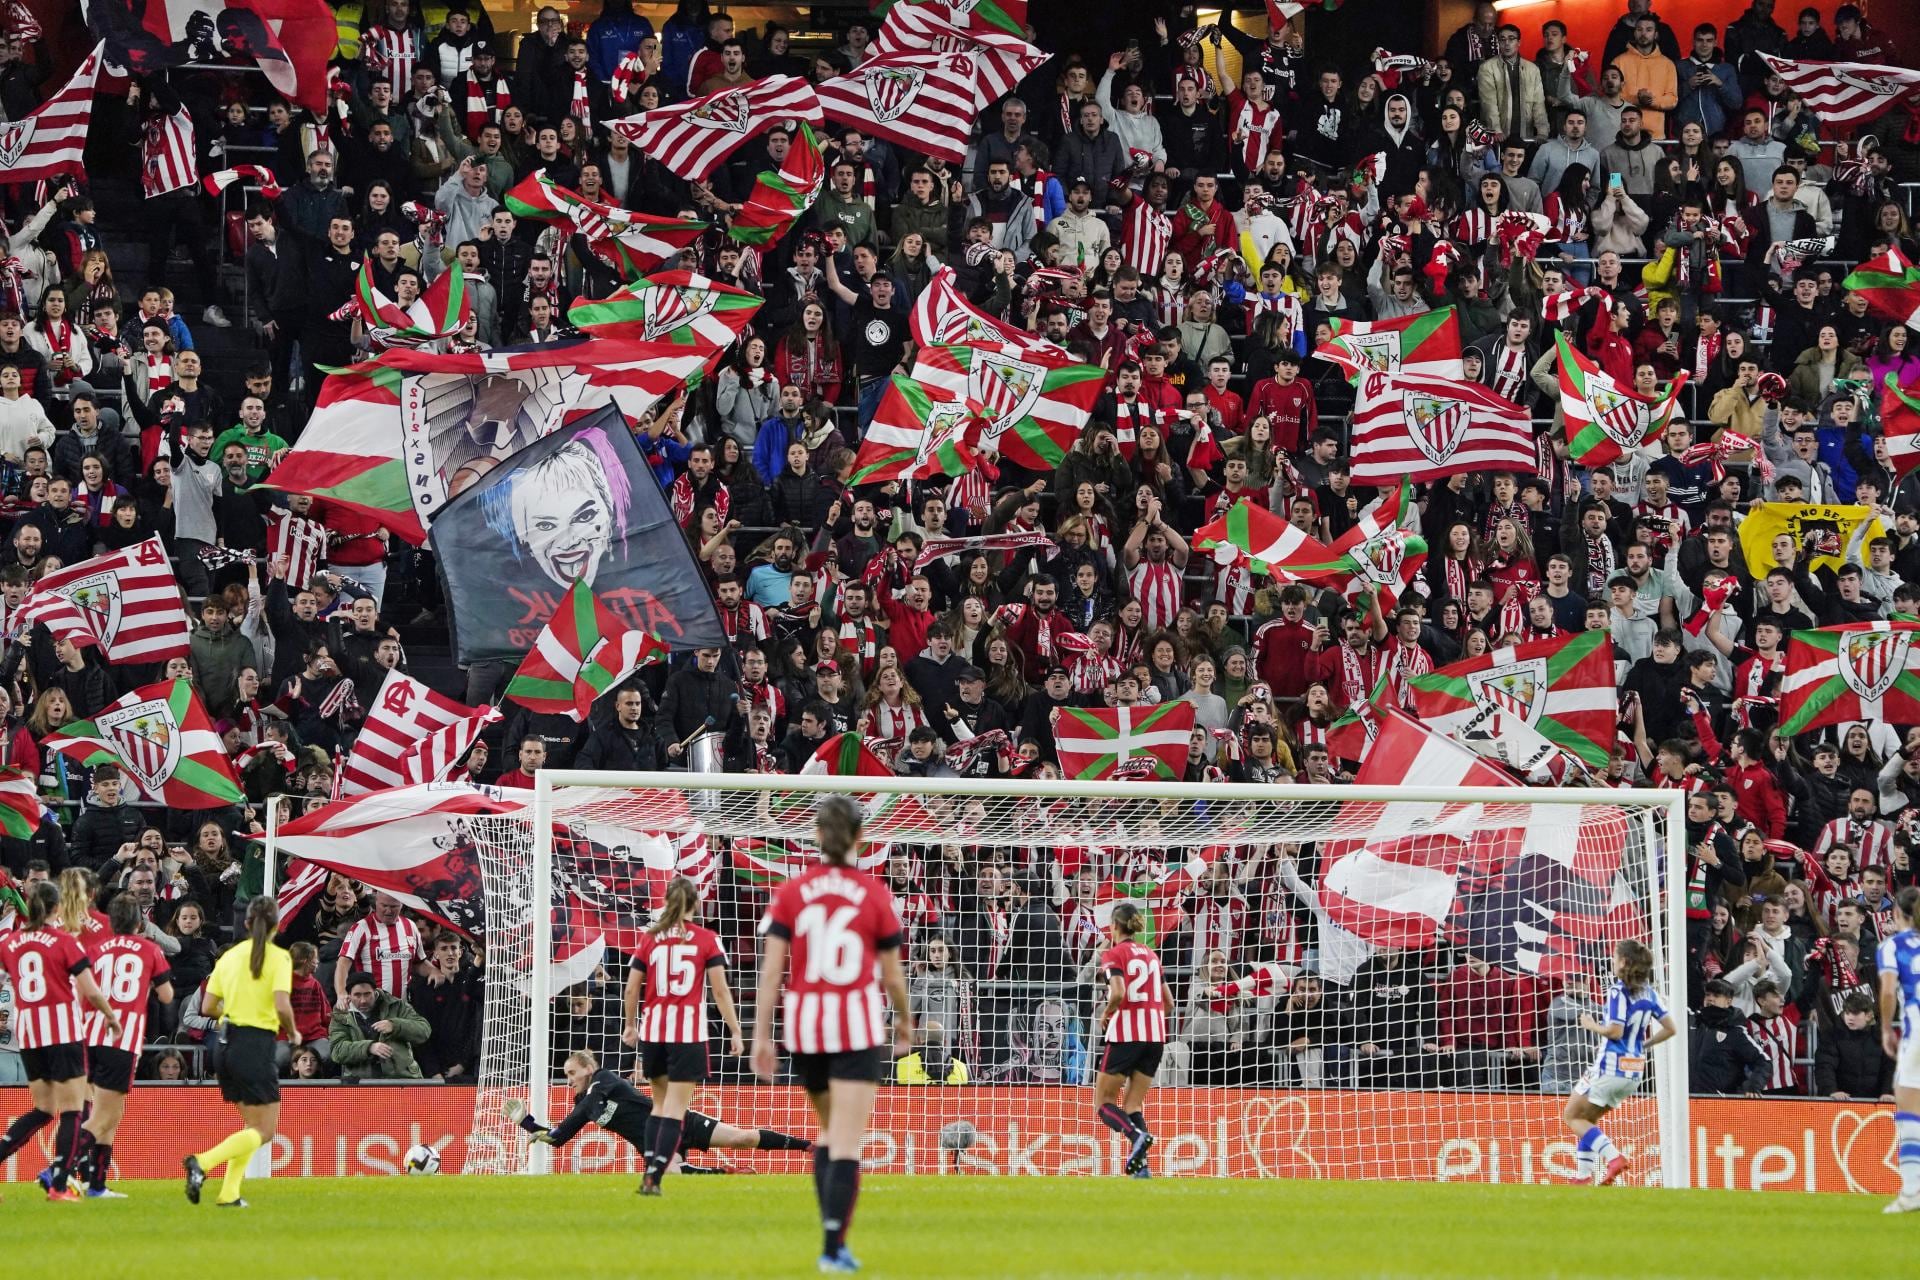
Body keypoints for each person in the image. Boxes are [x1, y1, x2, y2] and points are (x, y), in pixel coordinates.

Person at [751, 795, 913, 1274]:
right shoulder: (875, 893)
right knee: (845, 1139)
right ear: (861, 839)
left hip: (805, 1025)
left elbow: (772, 970)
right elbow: (892, 972)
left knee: (826, 1132)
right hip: (856, 1023)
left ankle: (830, 1238)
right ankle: (832, 1247)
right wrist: (905, 1018)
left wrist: (762, 1035)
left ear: (817, 836)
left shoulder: (792, 891)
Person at [620, 876, 744, 1196]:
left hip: (653, 1033)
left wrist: (631, 1024)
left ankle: (650, 1169)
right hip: (687, 1034)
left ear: (666, 902)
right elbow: (719, 989)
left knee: (659, 1106)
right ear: (695, 905)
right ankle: (655, 1176)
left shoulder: (650, 938)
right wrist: (734, 1028)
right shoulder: (706, 939)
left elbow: (633, 986)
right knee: (675, 1109)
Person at [0, 881, 119, 1200]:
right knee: (71, 1110)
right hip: (62, 1032)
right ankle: (59, 1184)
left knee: (41, 1109)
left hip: (28, 1035)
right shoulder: (64, 941)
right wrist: (110, 1016)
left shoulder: (10, 943)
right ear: (56, 908)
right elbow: (91, 990)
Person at [183, 897, 297, 1209]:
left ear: (246, 924)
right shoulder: (278, 958)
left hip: (224, 1044)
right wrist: (295, 1031)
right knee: (265, 1130)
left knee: (252, 1127)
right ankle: (202, 1163)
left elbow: (207, 1007)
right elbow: (282, 1005)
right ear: (276, 926)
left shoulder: (229, 958)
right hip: (254, 1044)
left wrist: (232, 1010)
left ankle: (229, 1193)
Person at [522, 1047, 812, 1168]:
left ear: (588, 1068)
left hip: (677, 1122)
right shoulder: (583, 1104)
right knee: (672, 1174)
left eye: (572, 1073)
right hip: (653, 1145)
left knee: (743, 1138)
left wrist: (581, 1114)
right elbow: (558, 1138)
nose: (568, 1079)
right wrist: (528, 1123)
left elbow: (587, 1107)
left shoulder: (604, 1080)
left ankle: (808, 1146)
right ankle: (727, 1174)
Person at [75, 892, 174, 1198]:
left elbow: (82, 994)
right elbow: (168, 996)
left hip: (90, 1035)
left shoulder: (95, 949)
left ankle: (97, 1185)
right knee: (106, 1115)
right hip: (121, 1038)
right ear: (139, 922)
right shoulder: (149, 949)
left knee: (110, 1114)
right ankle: (59, 1167)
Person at [1560, 938, 1676, 1186]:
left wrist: (1592, 1025)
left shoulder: (1617, 991)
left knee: (1572, 1116)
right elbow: (1670, 1028)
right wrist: (1642, 1046)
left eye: (1614, 958)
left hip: (1610, 1066)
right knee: (1588, 1120)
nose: (1612, 962)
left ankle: (1614, 1158)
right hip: (1634, 1071)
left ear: (1623, 962)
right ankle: (1582, 1176)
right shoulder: (1650, 993)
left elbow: (1614, 1031)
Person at [1094, 900, 1170, 1179]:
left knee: (1103, 1102)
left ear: (1114, 925)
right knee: (1133, 1105)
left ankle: (1136, 1135)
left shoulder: (1114, 954)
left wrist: (1107, 1013)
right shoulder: (1151, 954)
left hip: (1127, 1034)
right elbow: (1169, 1002)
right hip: (1156, 1036)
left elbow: (1117, 993)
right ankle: (1142, 1169)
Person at [1877, 885, 1920, 1213]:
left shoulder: (1892, 946)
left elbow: (1889, 990)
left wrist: (1885, 1027)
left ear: (1896, 914)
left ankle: (1911, 1191)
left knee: (1908, 1108)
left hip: (1916, 1030)